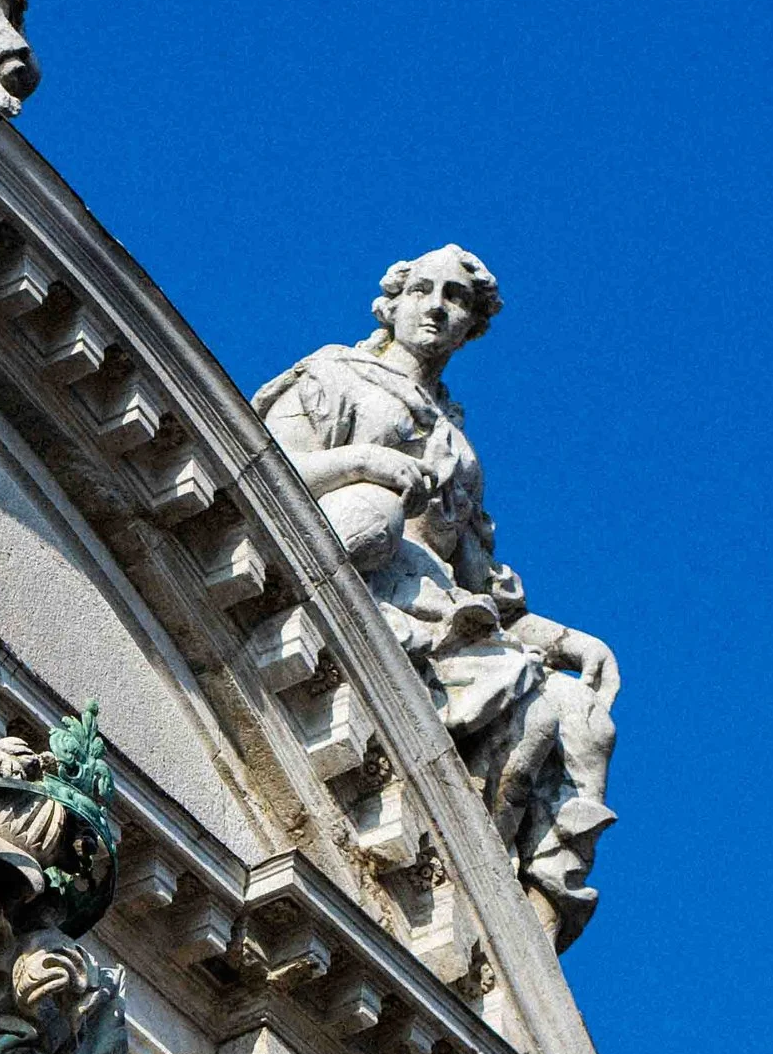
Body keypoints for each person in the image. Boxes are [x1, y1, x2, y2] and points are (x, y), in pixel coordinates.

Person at [254, 249, 618, 942]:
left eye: (455, 299)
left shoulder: (459, 452)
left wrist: (572, 644)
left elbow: (487, 595)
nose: (437, 306)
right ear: (391, 305)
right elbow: (262, 473)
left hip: (443, 615)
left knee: (578, 717)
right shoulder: (335, 375)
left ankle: (520, 918)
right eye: (423, 290)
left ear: (469, 328)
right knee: (375, 511)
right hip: (348, 571)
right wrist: (365, 462)